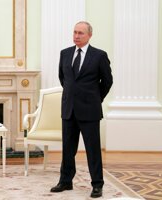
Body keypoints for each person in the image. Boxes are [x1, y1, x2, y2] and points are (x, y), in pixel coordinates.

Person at [50, 21, 113, 198]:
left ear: (89, 35)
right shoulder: (65, 53)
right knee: (68, 149)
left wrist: (95, 99)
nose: (76, 36)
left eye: (81, 33)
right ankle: (65, 181)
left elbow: (107, 81)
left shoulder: (99, 55)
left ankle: (97, 184)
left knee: (93, 149)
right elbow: (63, 79)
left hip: (89, 110)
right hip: (69, 109)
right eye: (75, 32)